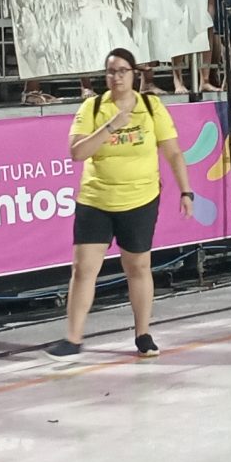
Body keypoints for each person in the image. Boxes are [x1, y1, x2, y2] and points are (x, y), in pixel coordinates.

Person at [46, 48, 195, 360]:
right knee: (83, 268)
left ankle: (143, 334)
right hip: (96, 200)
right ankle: (73, 339)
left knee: (138, 266)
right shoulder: (93, 107)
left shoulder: (151, 107)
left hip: (139, 200)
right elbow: (77, 152)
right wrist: (111, 126)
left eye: (123, 71)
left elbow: (173, 152)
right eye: (111, 72)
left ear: (134, 74)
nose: (116, 77)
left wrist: (186, 191)